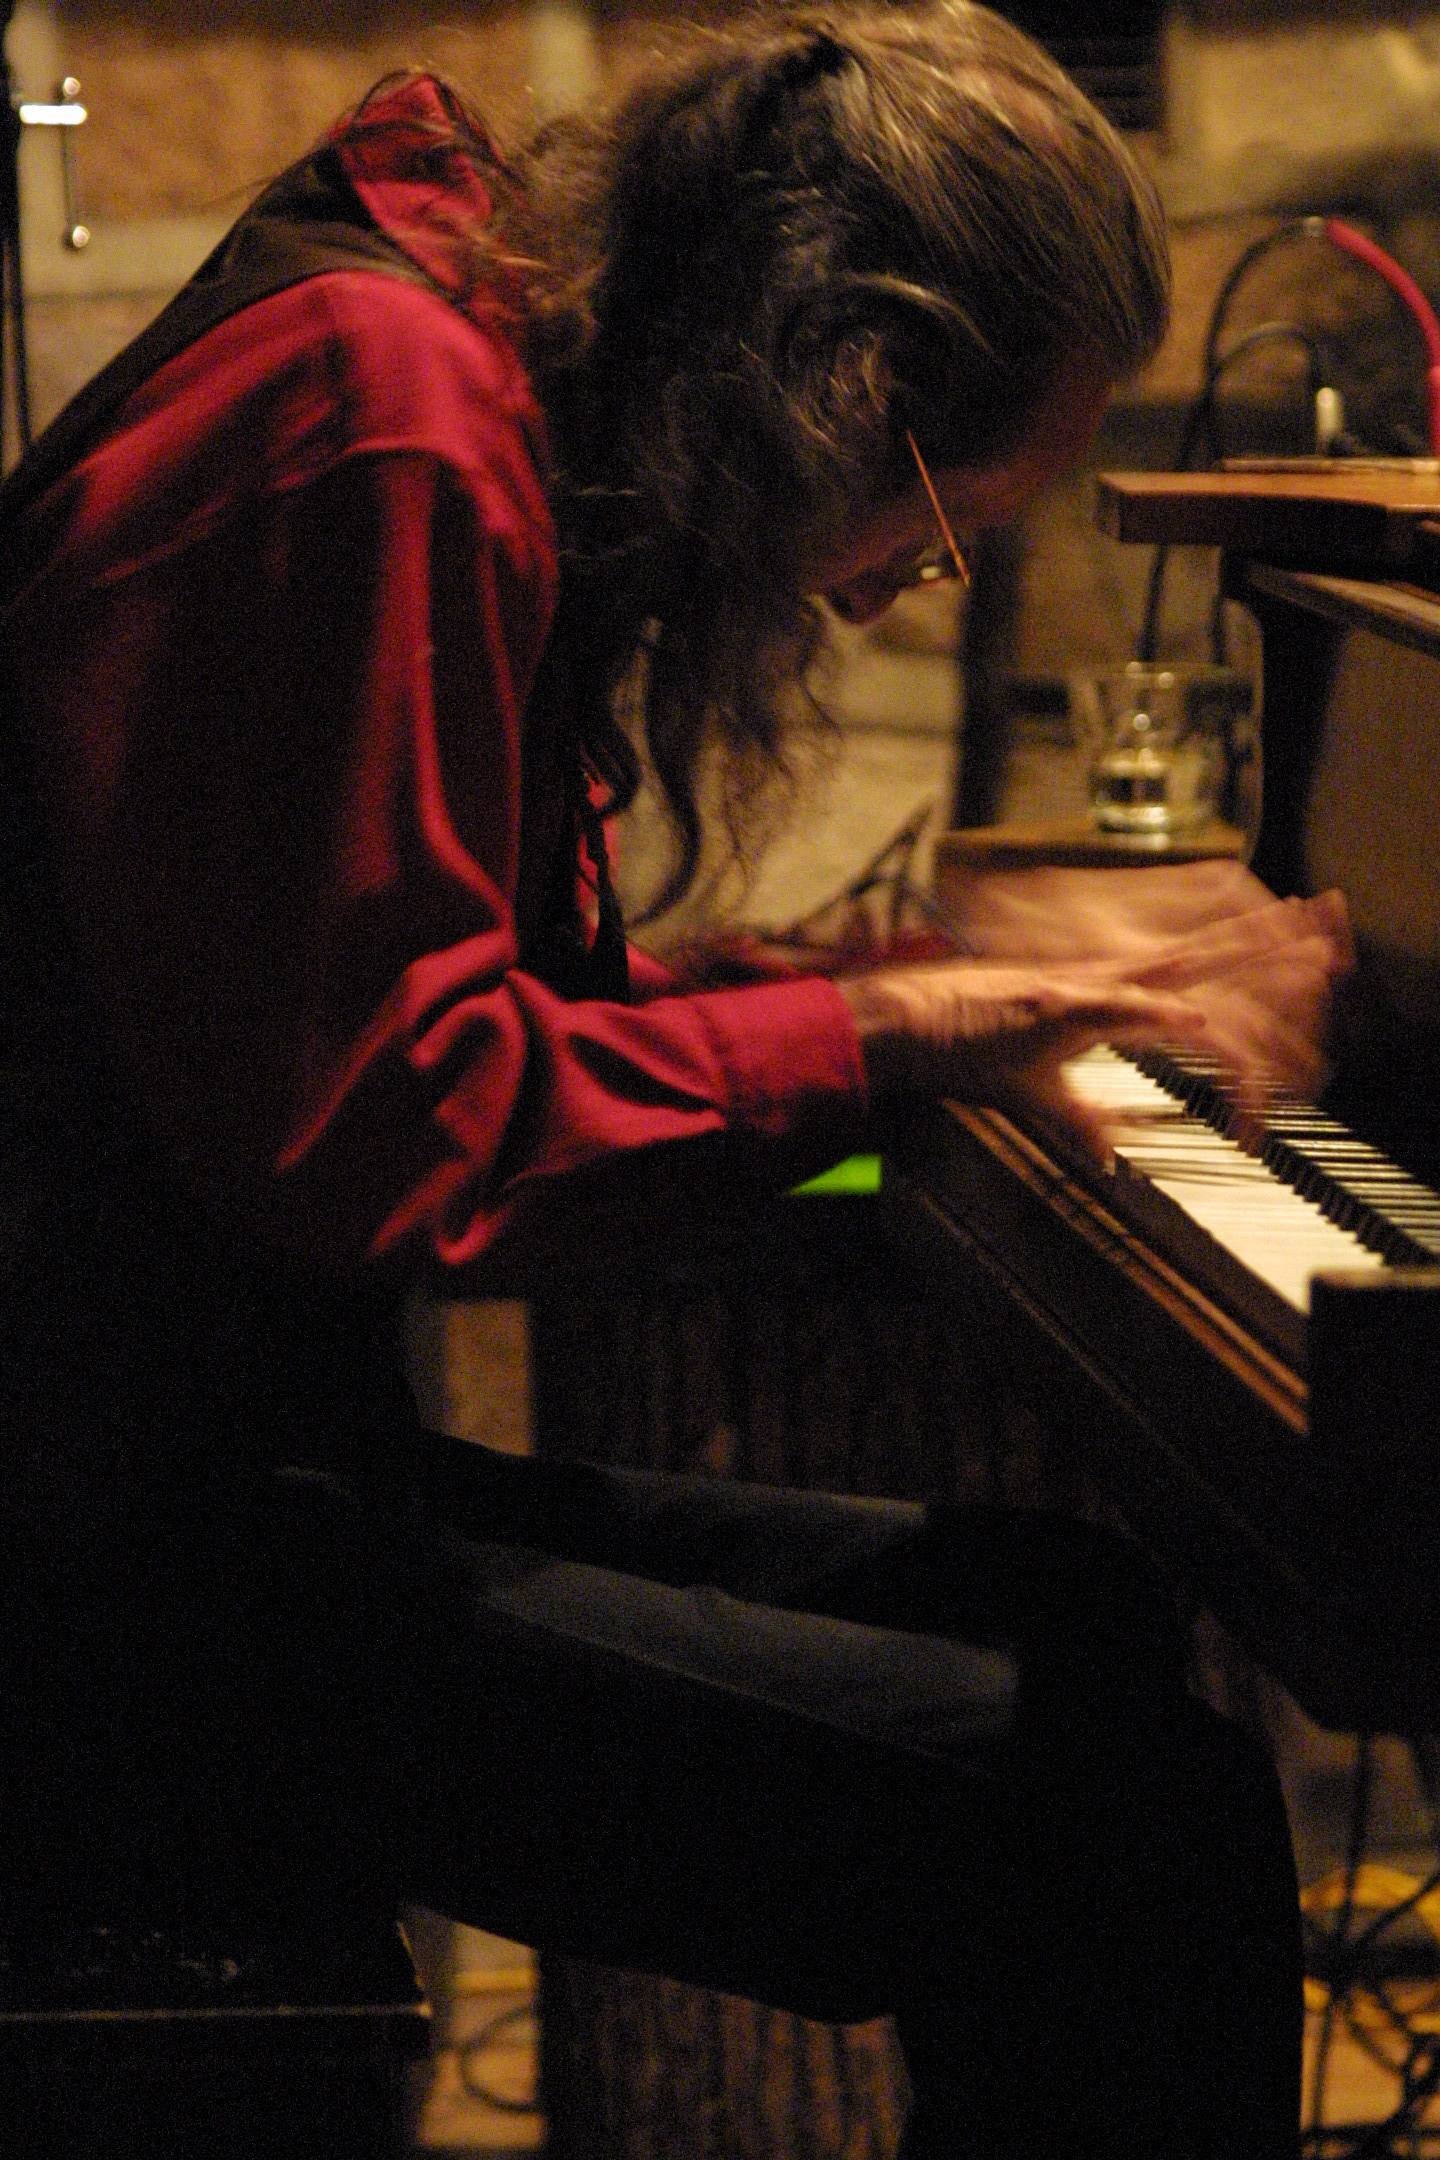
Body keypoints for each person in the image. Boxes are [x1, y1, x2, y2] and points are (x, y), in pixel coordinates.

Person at [0, 7, 1347, 2152]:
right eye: (947, 521)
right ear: (857, 377)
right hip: (95, 1582)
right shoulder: (392, 425)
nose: (908, 587)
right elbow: (399, 1132)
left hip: (196, 1478)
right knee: (1119, 1828)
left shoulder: (449, 374)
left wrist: (933, 979)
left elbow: (431, 1008)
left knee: (1072, 1612)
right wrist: (910, 1027)